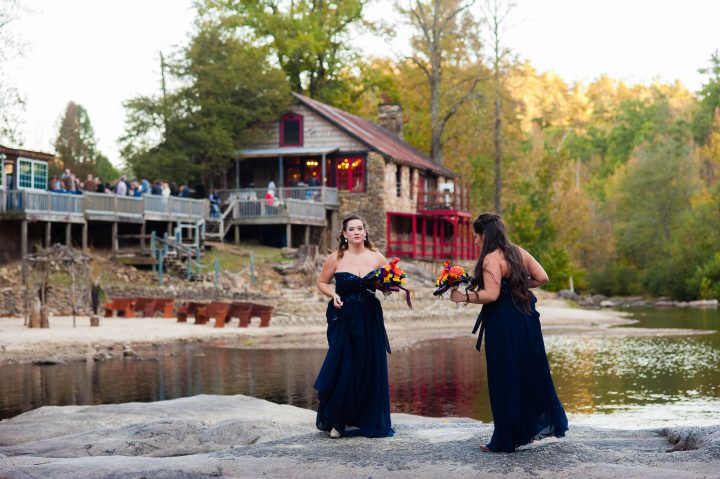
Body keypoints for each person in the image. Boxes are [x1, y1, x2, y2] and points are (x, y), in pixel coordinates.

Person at [451, 213, 568, 452]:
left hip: (504, 323)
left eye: (476, 237)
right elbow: (543, 278)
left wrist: (462, 297)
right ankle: (521, 431)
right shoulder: (518, 252)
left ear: (485, 235)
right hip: (526, 320)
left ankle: (505, 440)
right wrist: (518, 285)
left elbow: (491, 296)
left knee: (504, 377)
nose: (474, 242)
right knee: (526, 373)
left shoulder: (491, 260)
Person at [314, 214, 394, 439]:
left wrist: (389, 288)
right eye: (352, 229)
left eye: (360, 228)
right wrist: (334, 293)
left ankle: (370, 418)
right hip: (345, 316)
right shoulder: (336, 258)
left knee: (371, 365)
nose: (357, 232)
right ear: (345, 234)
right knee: (345, 367)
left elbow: (387, 286)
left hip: (370, 317)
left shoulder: (378, 257)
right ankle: (338, 422)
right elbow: (322, 282)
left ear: (365, 232)